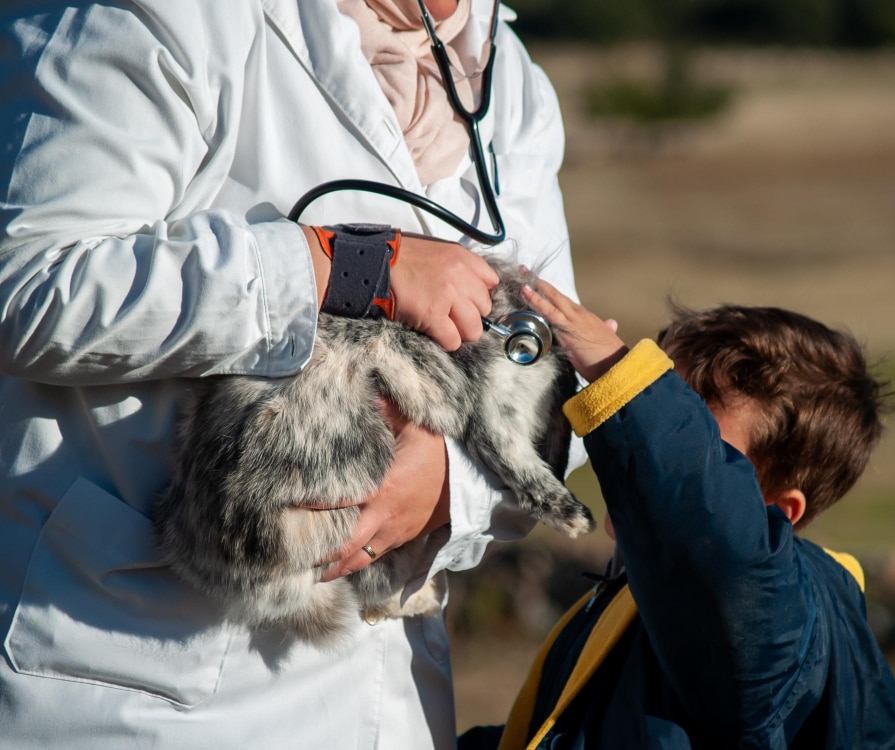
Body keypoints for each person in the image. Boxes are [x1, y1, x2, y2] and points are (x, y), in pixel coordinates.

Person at [0, 1, 581, 748]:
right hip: (132, 680)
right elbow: (33, 285)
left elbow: (553, 370)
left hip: (387, 691)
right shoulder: (157, 15)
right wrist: (349, 268)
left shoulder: (508, 76)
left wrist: (447, 484)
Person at [460, 279, 895, 749]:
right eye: (670, 408)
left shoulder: (778, 622)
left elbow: (716, 540)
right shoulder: (641, 594)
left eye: (694, 441)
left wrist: (623, 379)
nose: (645, 445)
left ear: (777, 508)